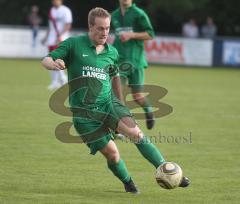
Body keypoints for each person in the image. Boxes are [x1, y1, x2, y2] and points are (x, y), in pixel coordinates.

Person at [41, 7, 189, 194]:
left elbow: (114, 76)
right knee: (113, 154)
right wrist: (53, 64)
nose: (105, 33)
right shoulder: (73, 44)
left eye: (108, 28)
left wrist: (120, 104)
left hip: (109, 104)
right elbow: (46, 59)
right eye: (100, 28)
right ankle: (128, 182)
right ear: (90, 27)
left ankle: (169, 171)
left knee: (137, 134)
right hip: (84, 115)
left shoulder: (112, 52)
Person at [111, 0, 155, 130]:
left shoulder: (139, 14)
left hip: (136, 61)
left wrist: (132, 35)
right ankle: (123, 126)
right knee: (117, 95)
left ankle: (149, 111)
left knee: (138, 97)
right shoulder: (114, 16)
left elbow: (150, 34)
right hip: (120, 61)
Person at [42, 0, 72, 90]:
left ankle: (63, 79)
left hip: (61, 39)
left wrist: (60, 36)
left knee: (59, 60)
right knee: (50, 60)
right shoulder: (52, 10)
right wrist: (46, 37)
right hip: (51, 39)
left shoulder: (66, 10)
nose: (54, 2)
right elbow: (50, 26)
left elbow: (68, 25)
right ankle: (55, 82)